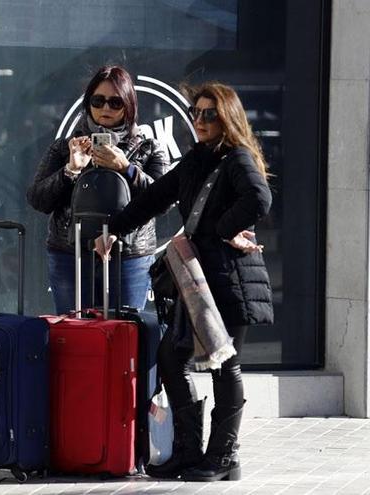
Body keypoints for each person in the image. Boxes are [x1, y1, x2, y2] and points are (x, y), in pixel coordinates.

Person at [95, 82, 273, 481]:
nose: (200, 120)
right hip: (200, 281)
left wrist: (226, 230)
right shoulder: (197, 160)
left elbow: (259, 199)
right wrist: (114, 231)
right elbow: (154, 198)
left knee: (224, 365)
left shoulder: (237, 158)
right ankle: (190, 451)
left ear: (227, 117)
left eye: (209, 114)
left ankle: (223, 457)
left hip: (230, 279)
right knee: (172, 358)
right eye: (196, 112)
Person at [27, 65, 169, 314]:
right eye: (98, 100)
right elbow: (38, 199)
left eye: (115, 103)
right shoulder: (66, 147)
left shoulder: (149, 148)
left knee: (125, 335)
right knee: (72, 335)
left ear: (129, 106)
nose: (105, 109)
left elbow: (163, 201)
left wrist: (126, 168)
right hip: (70, 254)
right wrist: (70, 170)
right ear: (88, 103)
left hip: (128, 257)